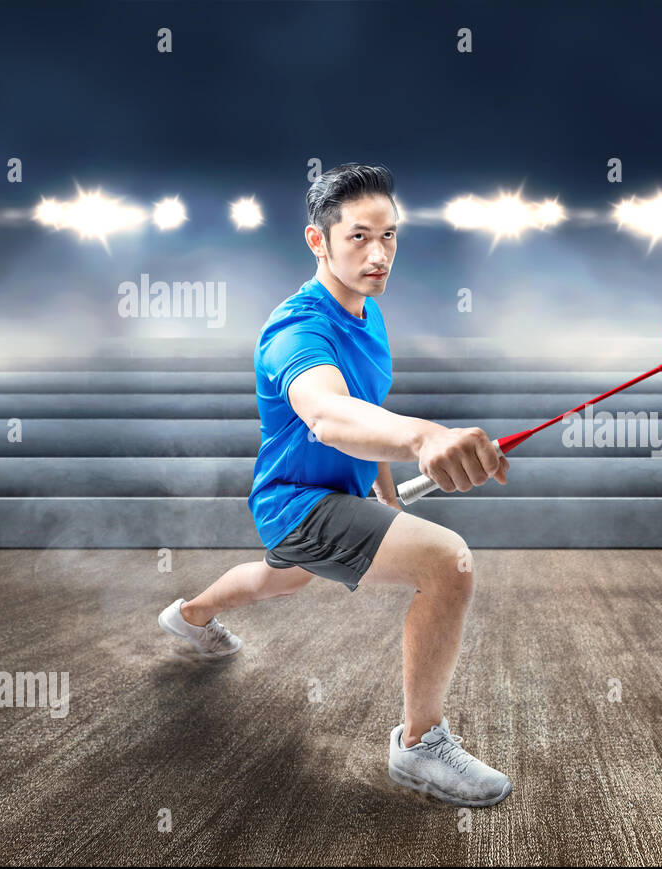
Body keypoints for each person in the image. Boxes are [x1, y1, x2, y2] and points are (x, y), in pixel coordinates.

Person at [157, 163, 513, 807]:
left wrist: (384, 497)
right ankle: (418, 745)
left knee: (279, 577)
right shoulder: (297, 329)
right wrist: (423, 437)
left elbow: (366, 406)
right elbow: (326, 413)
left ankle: (189, 616)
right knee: (448, 563)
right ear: (317, 241)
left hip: (315, 503)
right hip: (299, 503)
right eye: (358, 237)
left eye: (390, 236)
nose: (379, 254)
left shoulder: (367, 312)